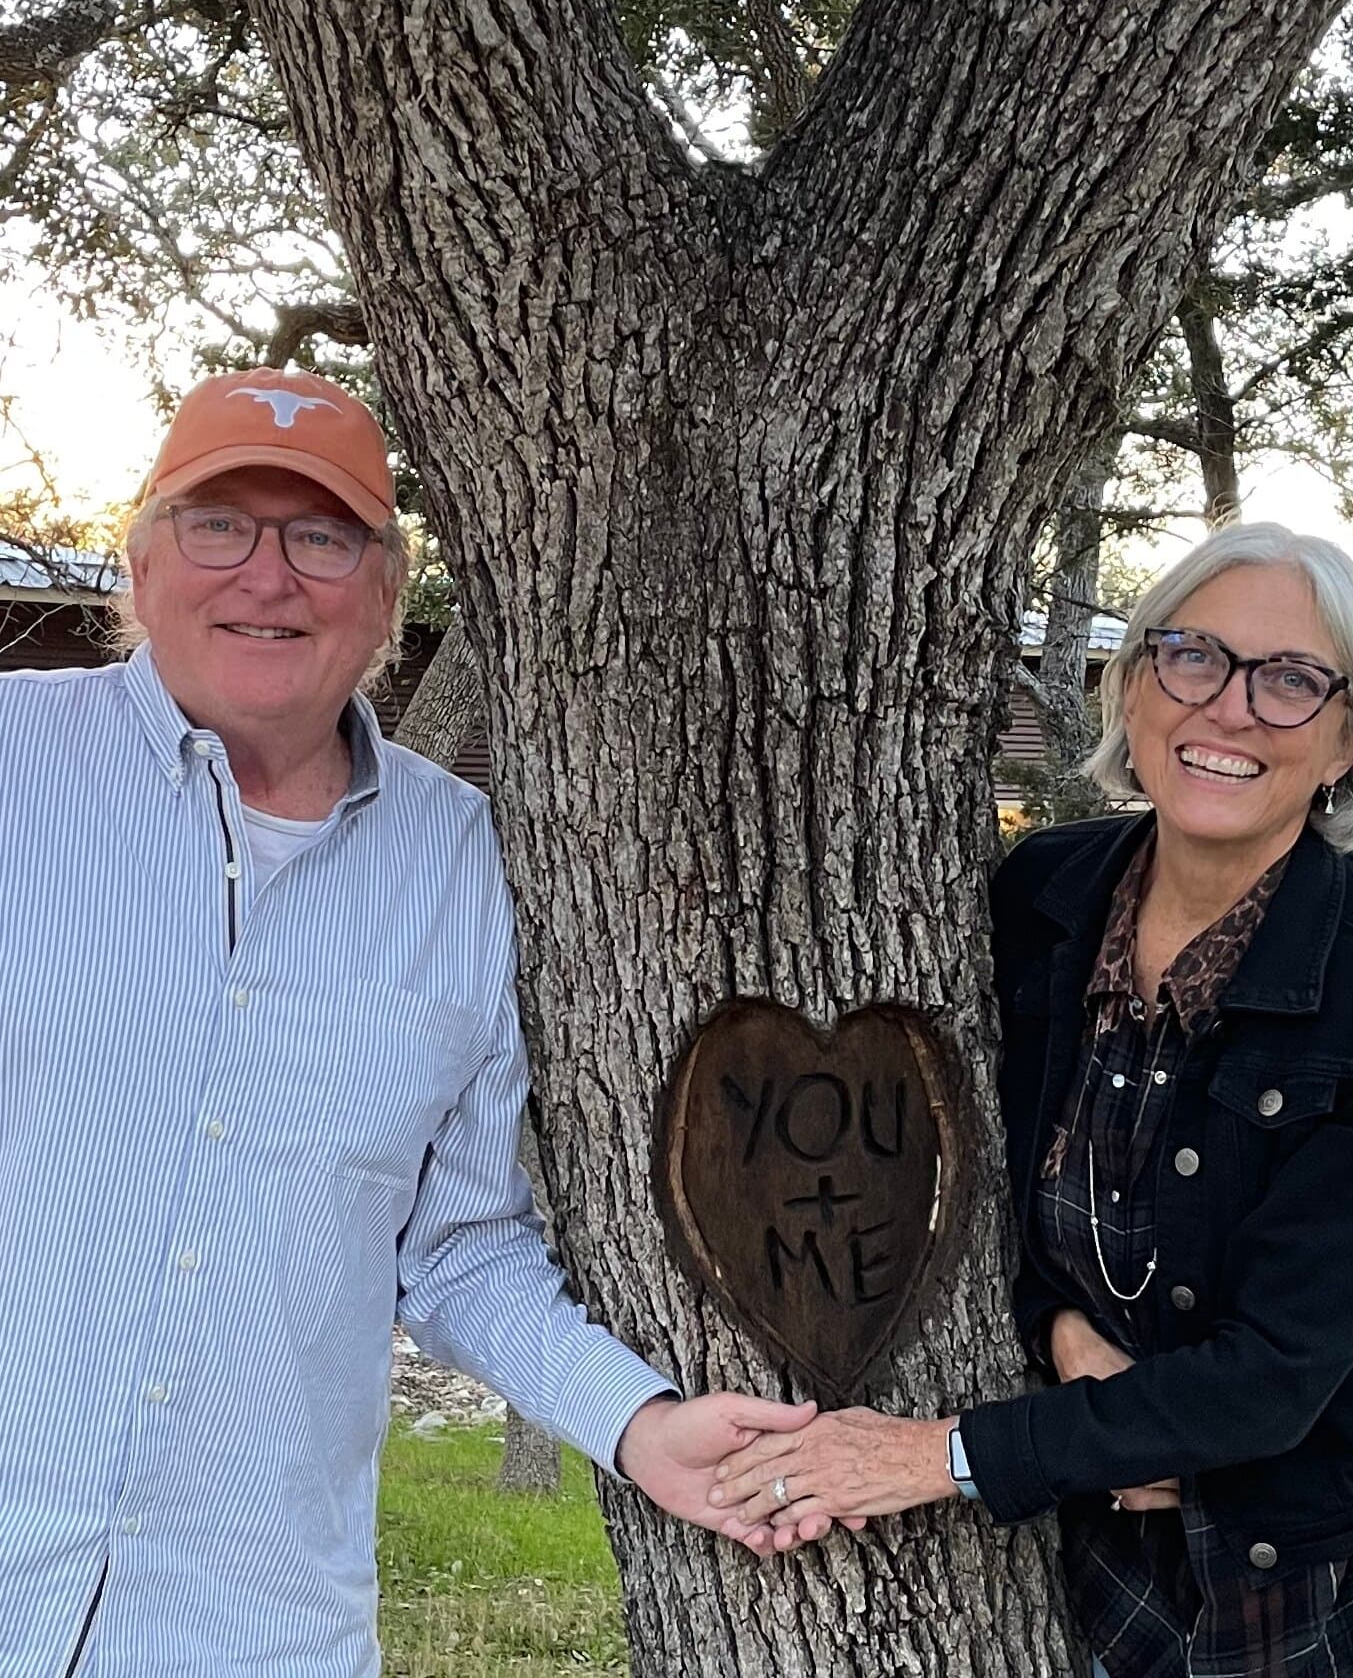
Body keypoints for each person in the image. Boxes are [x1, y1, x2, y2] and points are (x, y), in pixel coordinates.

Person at [0, 367, 823, 1678]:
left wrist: (637, 1422)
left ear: (384, 597)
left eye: (321, 536)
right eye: (219, 525)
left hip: (251, 1629)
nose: (267, 577)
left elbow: (455, 1251)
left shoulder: (465, 868)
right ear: (142, 563)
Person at [711, 524, 1353, 1677]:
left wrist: (933, 1455)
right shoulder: (1042, 897)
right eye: (1194, 655)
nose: (1232, 709)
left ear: (1349, 743)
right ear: (1135, 684)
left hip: (1316, 1592)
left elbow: (1277, 1374)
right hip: (1094, 1583)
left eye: (1293, 679)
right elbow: (983, 1172)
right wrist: (1053, 1321)